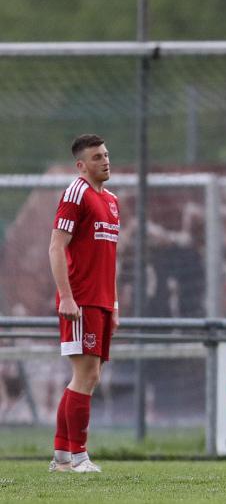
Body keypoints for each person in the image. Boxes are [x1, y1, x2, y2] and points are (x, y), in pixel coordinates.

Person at [48, 134, 120, 474]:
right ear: (81, 165)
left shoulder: (112, 201)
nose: (105, 161)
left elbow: (108, 258)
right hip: (81, 300)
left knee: (88, 377)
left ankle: (62, 457)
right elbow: (56, 247)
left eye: (105, 155)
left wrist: (114, 304)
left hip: (101, 301)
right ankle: (78, 457)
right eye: (96, 157)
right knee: (85, 375)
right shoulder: (76, 193)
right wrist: (66, 296)